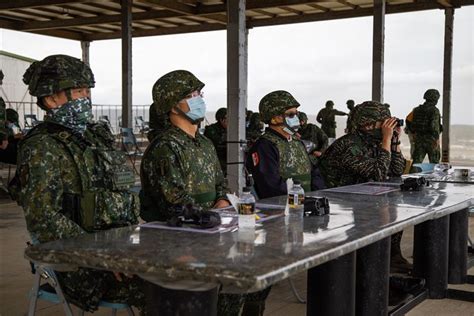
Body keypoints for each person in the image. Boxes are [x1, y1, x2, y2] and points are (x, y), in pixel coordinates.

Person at [14, 55, 145, 313]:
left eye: (87, 91)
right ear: (52, 99)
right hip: (81, 263)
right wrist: (100, 255)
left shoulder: (94, 136)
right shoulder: (42, 147)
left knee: (193, 275)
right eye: (78, 91)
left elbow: (121, 193)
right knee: (172, 287)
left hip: (120, 249)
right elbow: (43, 218)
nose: (86, 98)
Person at [139, 70, 246, 315]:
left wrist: (221, 203)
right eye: (191, 95)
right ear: (172, 106)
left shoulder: (204, 143)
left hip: (212, 234)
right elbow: (175, 205)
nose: (199, 99)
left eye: (199, 93)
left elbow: (221, 185)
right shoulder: (166, 147)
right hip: (176, 244)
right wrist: (215, 214)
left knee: (245, 281)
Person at [318, 101, 410, 272]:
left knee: (395, 206)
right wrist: (386, 139)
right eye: (383, 123)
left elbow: (396, 171)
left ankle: (391, 257)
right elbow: (378, 174)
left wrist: (394, 142)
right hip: (336, 199)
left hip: (358, 195)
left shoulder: (373, 141)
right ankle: (373, 265)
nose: (387, 127)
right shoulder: (350, 145)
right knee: (382, 209)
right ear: (367, 125)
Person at [246, 90, 325, 199]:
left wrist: (316, 197)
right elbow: (271, 186)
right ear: (274, 118)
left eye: (296, 113)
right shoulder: (264, 147)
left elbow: (314, 173)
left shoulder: (297, 142)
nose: (296, 118)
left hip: (307, 206)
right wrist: (300, 200)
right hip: (283, 209)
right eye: (291, 115)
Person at [410, 89, 442, 163]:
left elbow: (412, 124)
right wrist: (436, 139)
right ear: (435, 99)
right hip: (431, 140)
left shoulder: (417, 110)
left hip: (419, 139)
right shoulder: (434, 110)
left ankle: (413, 174)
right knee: (434, 164)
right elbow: (434, 127)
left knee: (416, 163)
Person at [204, 107, 227, 174]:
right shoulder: (211, 130)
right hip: (216, 161)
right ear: (222, 120)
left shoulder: (229, 130)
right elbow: (219, 144)